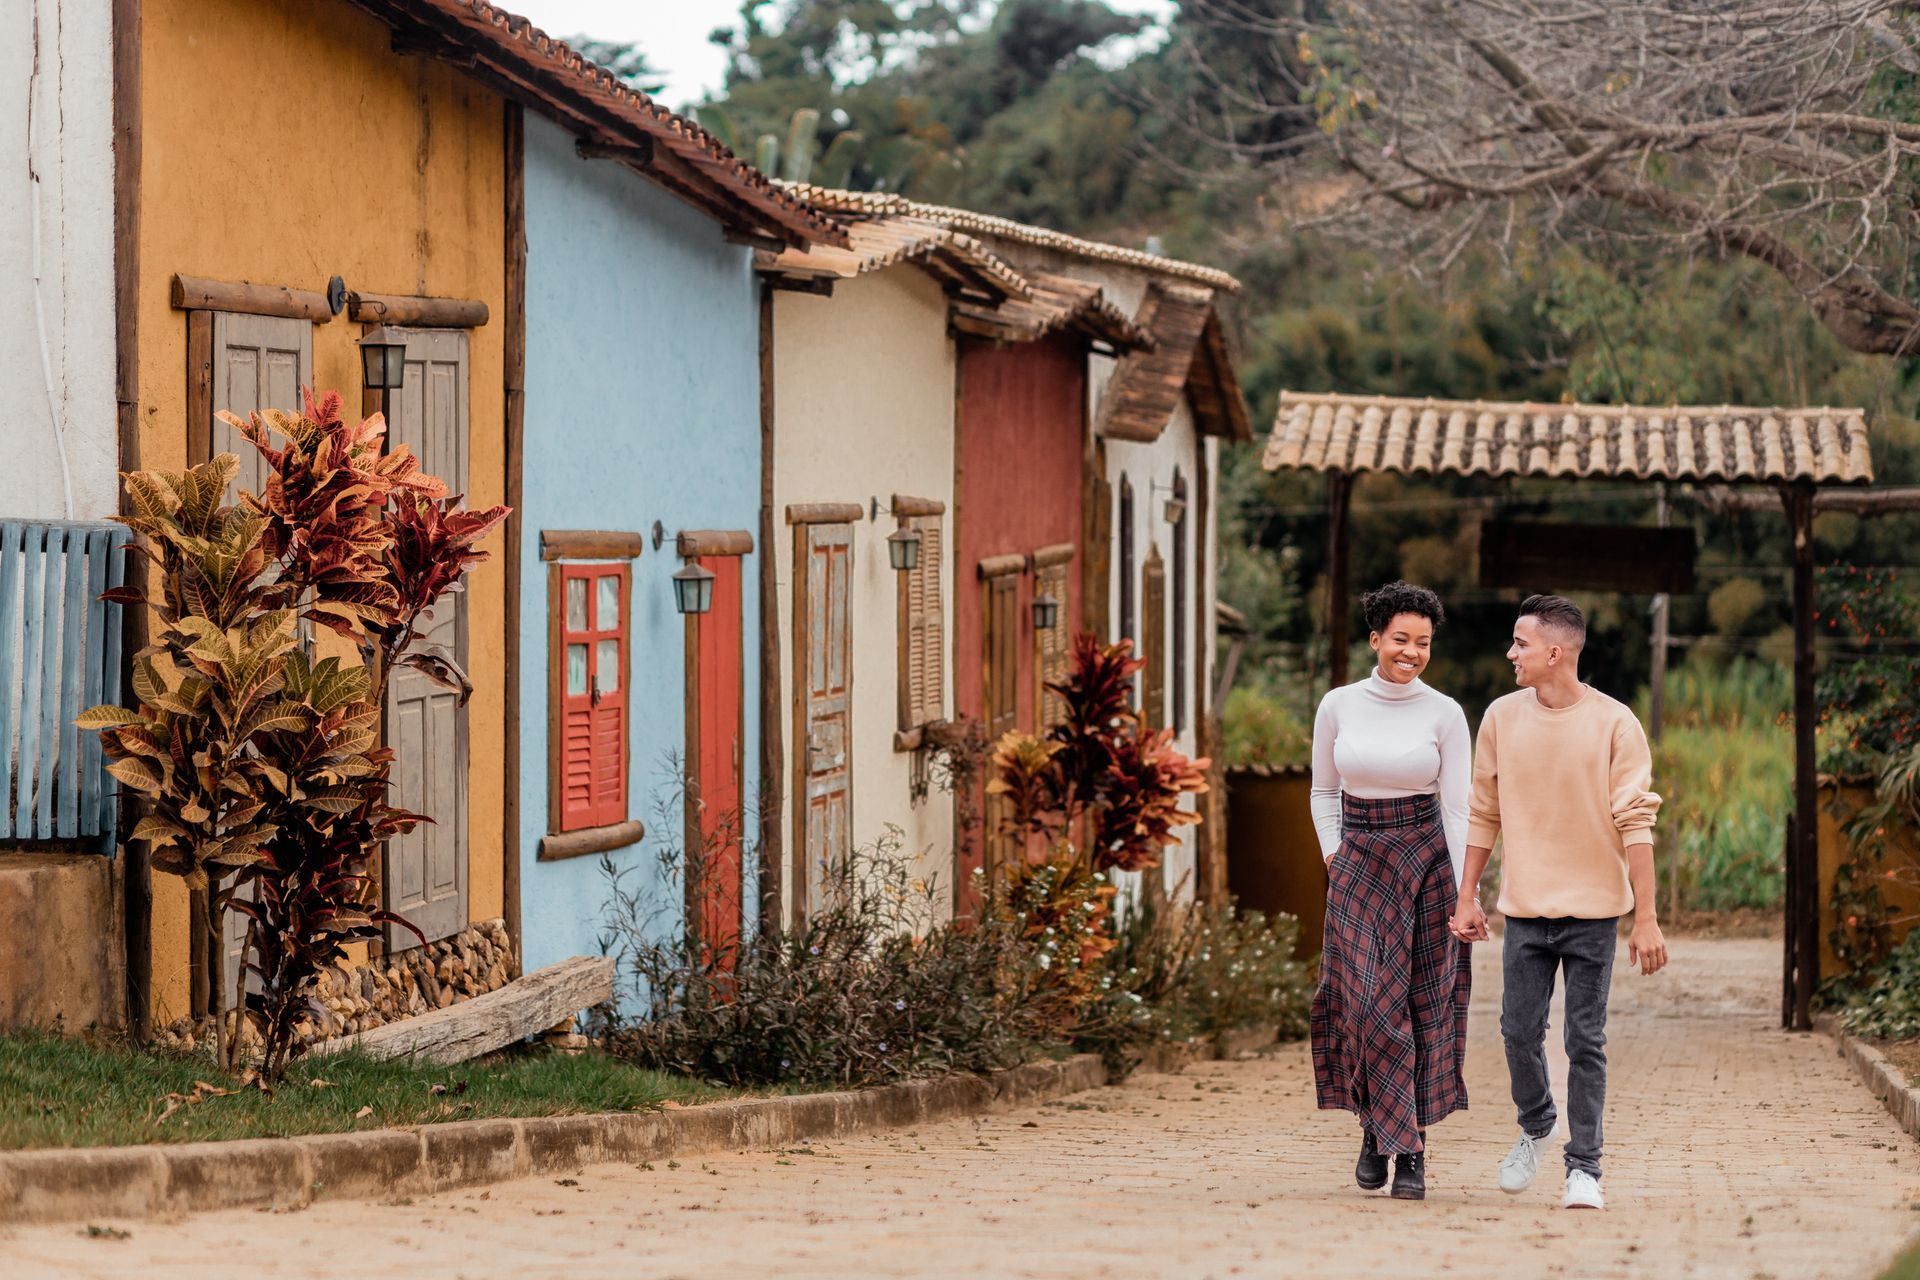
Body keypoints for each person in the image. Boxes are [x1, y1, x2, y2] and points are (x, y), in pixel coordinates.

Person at [1449, 594, 1667, 1213]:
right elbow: (1484, 812)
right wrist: (1467, 896)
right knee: (1517, 1033)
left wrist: (1646, 918)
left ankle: (1585, 1169)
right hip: (1525, 912)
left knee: (1584, 1041)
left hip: (1594, 915)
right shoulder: (1500, 718)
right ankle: (1538, 1122)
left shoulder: (1616, 723)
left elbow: (1636, 822)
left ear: (1553, 652)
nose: (1510, 653)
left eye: (1520, 644)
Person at [1309, 580, 1473, 1202]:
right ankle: (1377, 1128)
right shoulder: (1338, 705)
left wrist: (1465, 891)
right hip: (1357, 860)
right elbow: (1324, 790)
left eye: (1423, 642)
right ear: (1376, 638)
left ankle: (1410, 1151)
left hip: (1427, 862)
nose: (1412, 652)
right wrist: (1334, 853)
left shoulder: (1445, 713)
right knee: (1368, 1004)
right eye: (1401, 639)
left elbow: (1457, 808)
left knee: (1423, 1003)